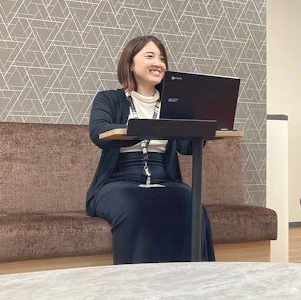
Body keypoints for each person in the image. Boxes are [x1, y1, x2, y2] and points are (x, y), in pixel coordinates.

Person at [86, 35, 215, 264]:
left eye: (162, 58)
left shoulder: (172, 105)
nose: (158, 63)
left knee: (191, 205)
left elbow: (187, 147)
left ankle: (191, 278)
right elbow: (99, 132)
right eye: (150, 56)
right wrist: (143, 128)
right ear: (130, 63)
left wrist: (199, 123)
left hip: (165, 180)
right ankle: (136, 280)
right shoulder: (109, 99)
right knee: (133, 207)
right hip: (118, 182)